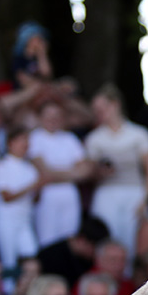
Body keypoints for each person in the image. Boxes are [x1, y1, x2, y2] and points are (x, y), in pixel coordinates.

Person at [84, 83, 148, 263]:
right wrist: (100, 172)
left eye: (103, 108)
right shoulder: (94, 138)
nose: (99, 113)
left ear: (115, 104)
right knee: (107, 239)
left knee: (131, 240)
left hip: (134, 192)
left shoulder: (138, 134)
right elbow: (91, 173)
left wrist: (146, 198)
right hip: (106, 193)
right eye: (96, 110)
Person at [28, 99, 89, 248]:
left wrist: (55, 174)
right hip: (47, 196)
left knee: (70, 240)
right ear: (40, 117)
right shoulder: (35, 138)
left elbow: (85, 170)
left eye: (56, 115)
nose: (53, 120)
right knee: (47, 241)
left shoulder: (70, 138)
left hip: (69, 196)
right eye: (48, 115)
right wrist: (71, 173)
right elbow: (44, 171)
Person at [0, 126, 42, 273]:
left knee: (31, 255)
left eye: (26, 140)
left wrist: (39, 188)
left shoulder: (30, 169)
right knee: (9, 262)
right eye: (20, 140)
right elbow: (6, 196)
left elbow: (35, 199)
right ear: (10, 143)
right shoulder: (2, 166)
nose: (24, 144)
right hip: (6, 222)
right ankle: (8, 293)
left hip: (25, 221)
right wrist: (32, 186)